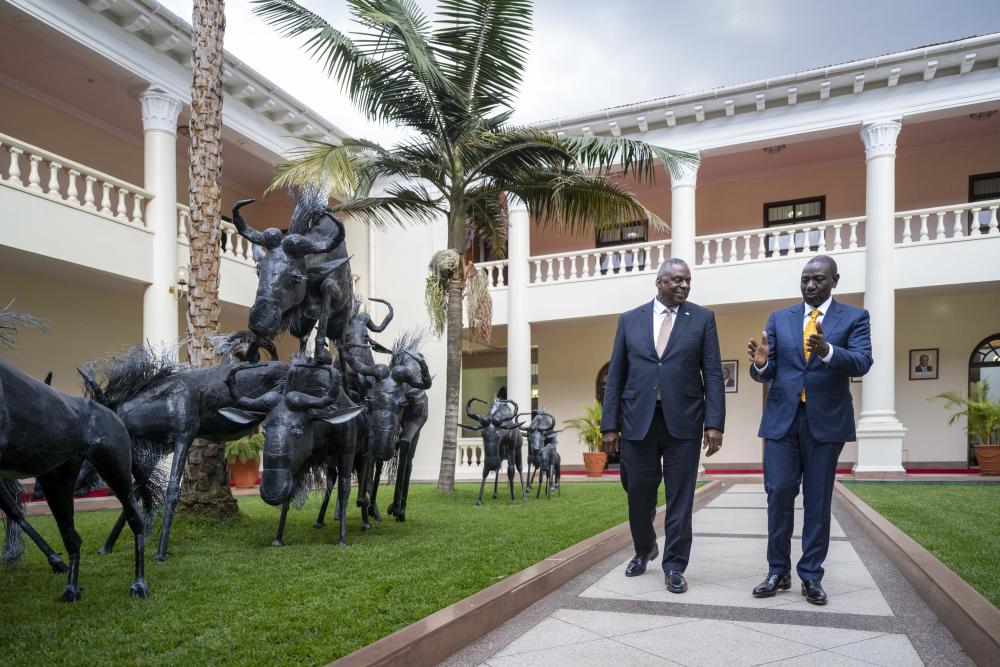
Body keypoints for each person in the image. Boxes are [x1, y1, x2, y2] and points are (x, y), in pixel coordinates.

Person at [747, 255, 872, 605]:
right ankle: (777, 571)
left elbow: (863, 360)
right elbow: (768, 370)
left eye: (818, 279)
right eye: (805, 279)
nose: (810, 285)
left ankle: (812, 576)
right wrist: (760, 365)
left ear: (834, 280)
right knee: (780, 493)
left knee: (817, 500)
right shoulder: (779, 318)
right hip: (782, 421)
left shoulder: (855, 317)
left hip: (825, 422)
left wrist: (829, 351)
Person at [601, 258, 725, 594]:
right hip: (638, 421)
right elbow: (616, 375)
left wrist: (714, 422)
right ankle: (644, 548)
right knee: (638, 493)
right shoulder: (630, 320)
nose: (684, 286)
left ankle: (674, 565)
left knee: (680, 497)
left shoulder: (702, 319)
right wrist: (609, 425)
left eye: (687, 281)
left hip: (683, 422)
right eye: (676, 281)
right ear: (659, 282)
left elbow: (712, 372)